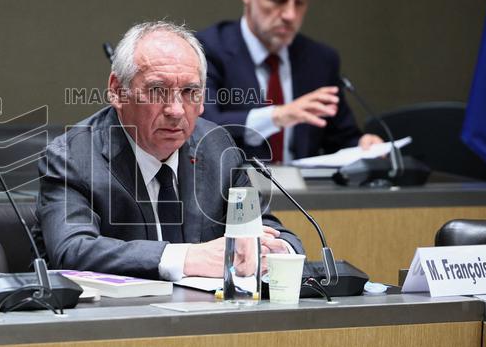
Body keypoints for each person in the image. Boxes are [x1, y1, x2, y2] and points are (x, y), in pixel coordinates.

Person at [35, 21, 303, 280]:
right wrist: (187, 257)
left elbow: (269, 232)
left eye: (189, 92)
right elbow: (72, 249)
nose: (175, 110)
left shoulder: (216, 147)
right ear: (117, 91)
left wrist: (276, 253)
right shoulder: (73, 156)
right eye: (157, 90)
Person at [197, 0, 383, 163]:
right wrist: (278, 116)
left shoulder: (320, 60)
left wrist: (364, 146)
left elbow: (342, 139)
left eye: (301, 2)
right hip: (232, 192)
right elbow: (203, 127)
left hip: (305, 197)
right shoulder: (207, 50)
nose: (290, 15)